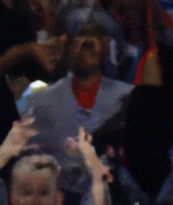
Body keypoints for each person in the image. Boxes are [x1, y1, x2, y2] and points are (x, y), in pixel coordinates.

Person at [21, 23, 133, 174]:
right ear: (67, 49)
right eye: (78, 42)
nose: (85, 48)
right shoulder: (42, 100)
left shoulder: (128, 98)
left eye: (92, 43)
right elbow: (27, 155)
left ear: (105, 48)